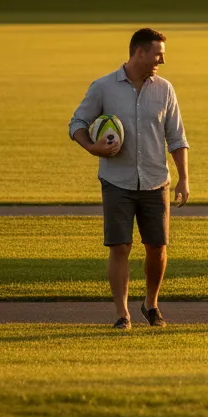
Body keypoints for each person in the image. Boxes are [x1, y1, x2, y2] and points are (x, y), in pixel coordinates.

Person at [68, 28, 189, 330]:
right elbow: (77, 123)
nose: (163, 60)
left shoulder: (165, 89)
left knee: (157, 247)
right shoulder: (103, 87)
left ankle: (151, 304)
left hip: (155, 181)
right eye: (159, 54)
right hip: (116, 181)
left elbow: (176, 138)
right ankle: (123, 314)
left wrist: (184, 179)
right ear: (139, 52)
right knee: (120, 246)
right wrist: (91, 147)